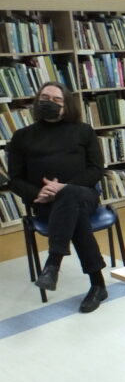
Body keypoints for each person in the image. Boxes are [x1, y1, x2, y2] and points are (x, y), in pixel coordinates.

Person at [6, 81, 108, 313]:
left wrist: (64, 187)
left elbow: (96, 170)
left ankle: (53, 264)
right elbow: (15, 179)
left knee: (70, 195)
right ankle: (98, 284)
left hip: (85, 195)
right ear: (36, 102)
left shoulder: (83, 131)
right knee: (74, 212)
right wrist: (37, 192)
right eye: (44, 98)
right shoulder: (22, 137)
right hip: (45, 203)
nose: (49, 103)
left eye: (56, 99)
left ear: (66, 105)